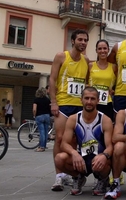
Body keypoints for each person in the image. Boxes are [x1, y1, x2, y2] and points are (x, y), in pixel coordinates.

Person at [49, 28, 90, 191]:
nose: (83, 43)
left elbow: (86, 83)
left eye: (85, 40)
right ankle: (59, 176)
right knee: (60, 139)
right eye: (80, 39)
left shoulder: (86, 60)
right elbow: (52, 79)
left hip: (79, 106)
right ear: (73, 41)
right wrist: (53, 101)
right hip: (63, 104)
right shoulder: (61, 56)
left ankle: (71, 172)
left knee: (73, 142)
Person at [54, 87, 114, 196]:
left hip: (98, 159)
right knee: (59, 159)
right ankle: (78, 177)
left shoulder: (105, 120)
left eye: (92, 99)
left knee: (108, 159)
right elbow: (64, 143)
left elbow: (110, 146)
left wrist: (104, 156)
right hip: (81, 158)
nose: (89, 102)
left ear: (98, 100)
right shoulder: (73, 119)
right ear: (81, 99)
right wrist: (74, 153)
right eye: (86, 98)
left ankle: (103, 179)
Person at [89, 39, 117, 121]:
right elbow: (85, 82)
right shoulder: (90, 65)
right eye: (100, 49)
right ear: (96, 51)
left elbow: (119, 84)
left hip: (107, 103)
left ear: (108, 50)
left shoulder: (114, 67)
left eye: (105, 48)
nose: (102, 51)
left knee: (106, 128)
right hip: (92, 102)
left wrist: (114, 91)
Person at [32, 87, 51, 152]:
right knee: (46, 132)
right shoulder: (47, 99)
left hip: (39, 116)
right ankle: (44, 145)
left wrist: (34, 115)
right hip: (47, 116)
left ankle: (41, 147)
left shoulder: (36, 99)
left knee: (41, 132)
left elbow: (34, 109)